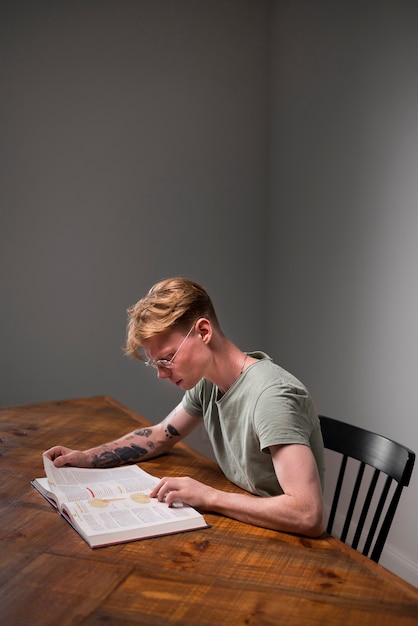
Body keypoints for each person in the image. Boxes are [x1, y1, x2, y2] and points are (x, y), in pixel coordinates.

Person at [45, 277, 325, 538]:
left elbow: (307, 514)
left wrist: (208, 496)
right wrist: (86, 457)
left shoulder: (272, 396)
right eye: (156, 363)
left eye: (167, 358)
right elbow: (158, 437)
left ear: (203, 331)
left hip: (288, 542)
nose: (162, 374)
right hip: (247, 524)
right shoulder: (208, 383)